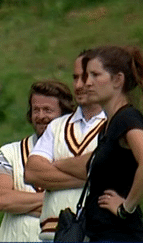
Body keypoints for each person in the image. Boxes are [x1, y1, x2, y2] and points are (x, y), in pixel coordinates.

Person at [54, 45, 143, 241]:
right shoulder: (110, 124)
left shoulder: (127, 118)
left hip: (119, 235)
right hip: (100, 233)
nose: (87, 83)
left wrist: (125, 207)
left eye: (95, 75)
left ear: (118, 80)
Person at [25, 50, 107, 241]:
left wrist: (55, 165)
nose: (79, 85)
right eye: (75, 77)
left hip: (99, 232)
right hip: (53, 233)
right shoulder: (57, 126)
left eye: (86, 78)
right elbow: (32, 173)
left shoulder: (115, 123)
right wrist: (91, 178)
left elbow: (110, 169)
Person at [0, 81, 75, 242]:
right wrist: (55, 201)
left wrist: (20, 204)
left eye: (48, 110)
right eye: (36, 110)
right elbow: (1, 200)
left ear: (64, 115)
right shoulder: (10, 153)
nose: (41, 116)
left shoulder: (76, 155)